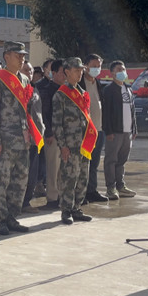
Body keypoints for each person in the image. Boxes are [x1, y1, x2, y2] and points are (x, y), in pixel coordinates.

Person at [0, 42, 43, 236]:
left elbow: (29, 111)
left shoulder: (25, 80)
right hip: (5, 141)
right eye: (18, 55)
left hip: (23, 140)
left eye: (23, 55)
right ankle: (0, 219)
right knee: (2, 182)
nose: (22, 59)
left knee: (20, 181)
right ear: (7, 56)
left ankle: (12, 216)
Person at [52, 58, 97, 224]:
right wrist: (63, 146)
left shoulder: (82, 93)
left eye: (81, 70)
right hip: (70, 145)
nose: (80, 73)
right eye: (76, 70)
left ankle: (77, 208)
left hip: (84, 144)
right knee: (69, 179)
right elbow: (57, 124)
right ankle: (66, 210)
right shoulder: (61, 95)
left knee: (82, 178)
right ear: (67, 72)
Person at [102, 60, 137, 200]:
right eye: (119, 69)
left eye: (123, 69)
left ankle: (120, 186)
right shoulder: (109, 90)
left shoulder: (128, 89)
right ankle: (110, 187)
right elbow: (106, 113)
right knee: (111, 160)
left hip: (128, 131)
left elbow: (132, 111)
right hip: (115, 132)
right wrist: (108, 131)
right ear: (112, 73)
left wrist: (134, 129)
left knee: (122, 160)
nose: (122, 72)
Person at [38, 59, 66, 212]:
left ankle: (63, 196)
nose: (65, 75)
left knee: (64, 167)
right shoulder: (47, 90)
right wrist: (48, 132)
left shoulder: (68, 89)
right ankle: (52, 198)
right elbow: (45, 113)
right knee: (53, 167)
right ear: (53, 73)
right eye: (62, 72)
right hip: (53, 135)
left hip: (66, 135)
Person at [82, 54, 109, 203]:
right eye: (93, 66)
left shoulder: (98, 83)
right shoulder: (80, 83)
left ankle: (92, 191)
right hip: (85, 131)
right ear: (85, 66)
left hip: (99, 130)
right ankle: (81, 193)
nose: (96, 69)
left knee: (94, 163)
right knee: (83, 164)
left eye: (99, 66)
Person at [20, 61, 45, 214]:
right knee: (22, 173)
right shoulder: (18, 89)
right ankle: (19, 202)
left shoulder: (34, 88)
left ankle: (26, 201)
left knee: (33, 173)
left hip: (36, 137)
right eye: (26, 70)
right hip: (24, 138)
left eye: (30, 71)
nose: (29, 73)